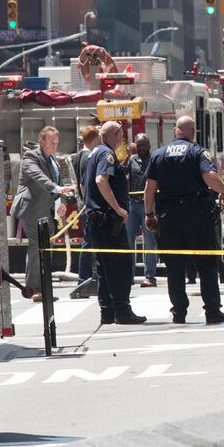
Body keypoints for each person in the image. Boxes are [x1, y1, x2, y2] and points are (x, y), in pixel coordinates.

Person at [143, 116, 224, 325]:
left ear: (176, 131)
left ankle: (179, 313)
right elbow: (209, 175)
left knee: (174, 268)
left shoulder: (158, 154)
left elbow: (149, 188)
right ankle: (212, 310)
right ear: (192, 132)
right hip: (196, 215)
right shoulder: (197, 151)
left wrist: (149, 214)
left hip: (169, 218)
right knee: (206, 264)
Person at [84, 121, 145, 324]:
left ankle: (107, 312)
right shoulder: (106, 154)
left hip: (97, 219)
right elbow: (101, 180)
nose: (122, 138)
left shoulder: (93, 153)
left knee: (104, 267)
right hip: (108, 220)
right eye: (120, 134)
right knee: (120, 264)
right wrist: (118, 209)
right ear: (115, 134)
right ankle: (122, 310)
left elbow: (86, 186)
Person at [12, 126, 75, 301]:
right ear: (42, 141)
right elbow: (39, 177)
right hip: (31, 209)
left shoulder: (53, 159)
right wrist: (56, 188)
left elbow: (58, 181)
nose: (55, 146)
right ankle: (33, 288)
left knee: (46, 248)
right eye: (52, 143)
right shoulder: (31, 157)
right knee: (36, 247)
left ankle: (43, 288)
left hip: (47, 210)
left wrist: (61, 201)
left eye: (57, 143)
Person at [125, 134, 159, 287]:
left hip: (148, 205)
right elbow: (124, 175)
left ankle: (150, 277)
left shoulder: (154, 160)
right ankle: (128, 276)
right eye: (138, 145)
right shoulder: (132, 160)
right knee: (128, 242)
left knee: (149, 242)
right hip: (132, 205)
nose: (141, 148)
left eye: (143, 145)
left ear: (149, 145)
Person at [72, 125, 101, 287]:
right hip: (88, 205)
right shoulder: (89, 157)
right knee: (89, 242)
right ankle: (83, 278)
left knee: (89, 241)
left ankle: (85, 277)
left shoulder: (78, 156)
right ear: (96, 138)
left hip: (83, 203)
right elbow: (85, 184)